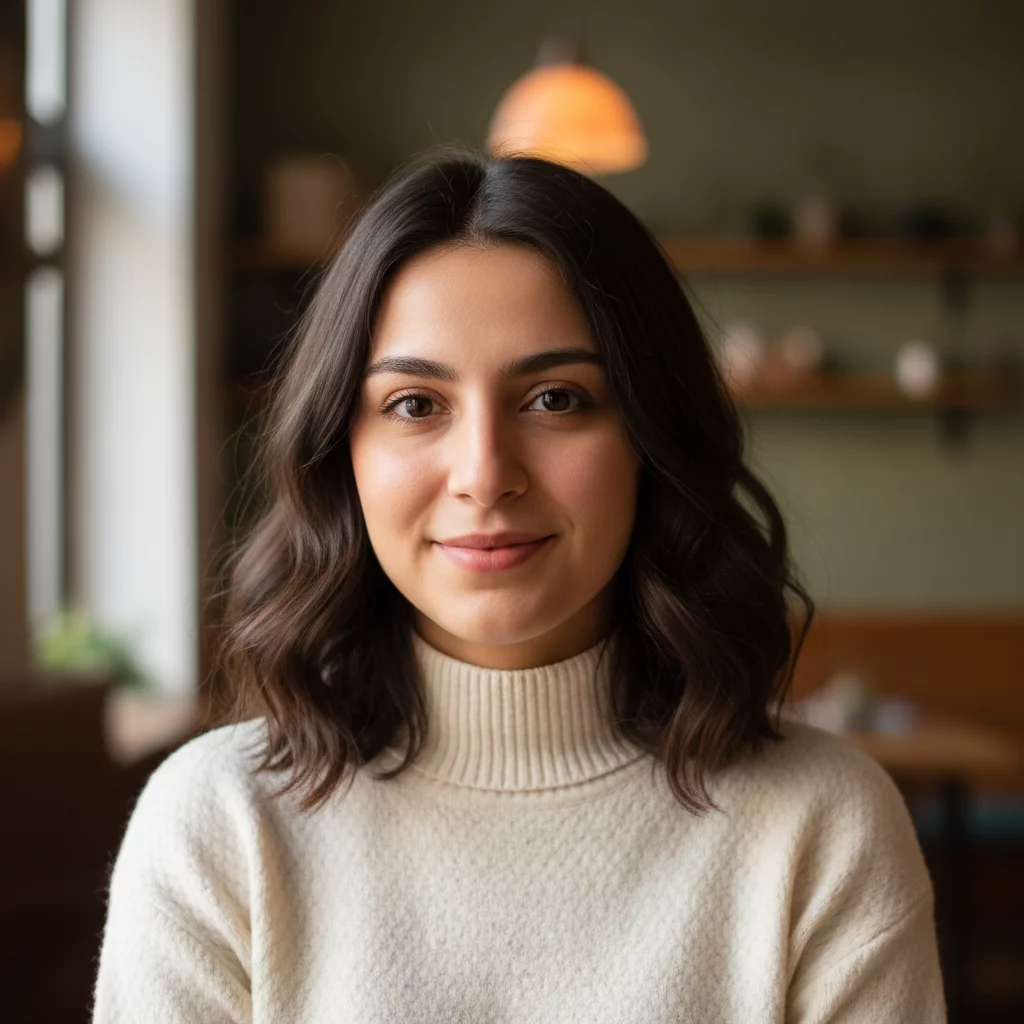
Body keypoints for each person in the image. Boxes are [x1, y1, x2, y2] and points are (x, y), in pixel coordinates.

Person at [91, 147, 947, 1023]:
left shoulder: (823, 830)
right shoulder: (218, 828)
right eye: (416, 405)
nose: (485, 474)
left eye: (556, 399)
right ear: (340, 452)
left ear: (653, 439)